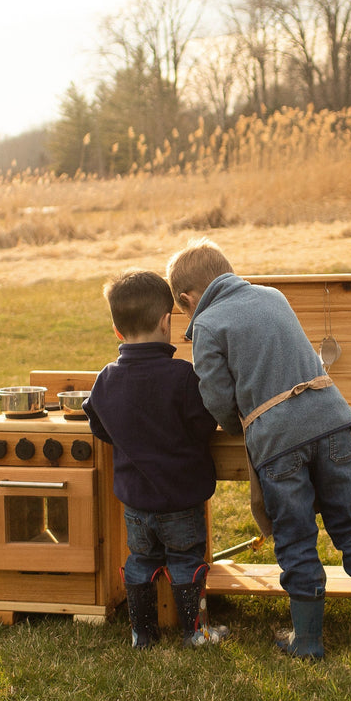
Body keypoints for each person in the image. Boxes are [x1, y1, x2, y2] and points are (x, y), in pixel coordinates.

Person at [166, 238, 351, 660]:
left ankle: (308, 641)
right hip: (333, 421)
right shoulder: (272, 296)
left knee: (296, 538)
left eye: (183, 310)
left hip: (278, 439)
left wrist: (230, 425)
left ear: (188, 299)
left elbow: (217, 396)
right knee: (350, 523)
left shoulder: (206, 324)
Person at [84, 268, 227, 649]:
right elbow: (203, 426)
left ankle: (141, 635)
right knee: (185, 561)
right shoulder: (184, 377)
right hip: (181, 501)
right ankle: (194, 632)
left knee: (140, 562)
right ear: (167, 322)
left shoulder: (106, 379)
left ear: (117, 331)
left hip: (136, 504)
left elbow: (97, 424)